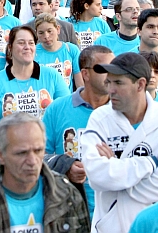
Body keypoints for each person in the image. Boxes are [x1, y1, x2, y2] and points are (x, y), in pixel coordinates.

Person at [80, 52, 158, 232]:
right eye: (109, 82)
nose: (110, 89)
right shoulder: (99, 118)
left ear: (140, 84)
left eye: (118, 83)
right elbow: (97, 176)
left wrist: (117, 171)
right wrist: (150, 164)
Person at [0, 112, 90, 233]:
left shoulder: (66, 195)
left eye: (38, 151)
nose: (32, 160)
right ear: (1, 154)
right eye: (22, 153)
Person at [0, 25, 70, 163]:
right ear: (10, 48)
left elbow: (65, 113)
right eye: (21, 43)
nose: (27, 47)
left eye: (31, 43)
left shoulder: (52, 76)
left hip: (43, 158)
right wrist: (8, 143)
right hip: (6, 162)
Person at [42, 45, 113, 216]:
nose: (112, 75)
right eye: (104, 69)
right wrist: (65, 166)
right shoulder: (57, 109)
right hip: (71, 210)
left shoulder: (126, 110)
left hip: (116, 210)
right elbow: (38, 156)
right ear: (86, 74)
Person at [34, 13, 82, 89]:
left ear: (58, 29)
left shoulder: (71, 49)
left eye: (49, 31)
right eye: (41, 33)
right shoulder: (33, 53)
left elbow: (80, 82)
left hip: (67, 99)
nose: (46, 36)